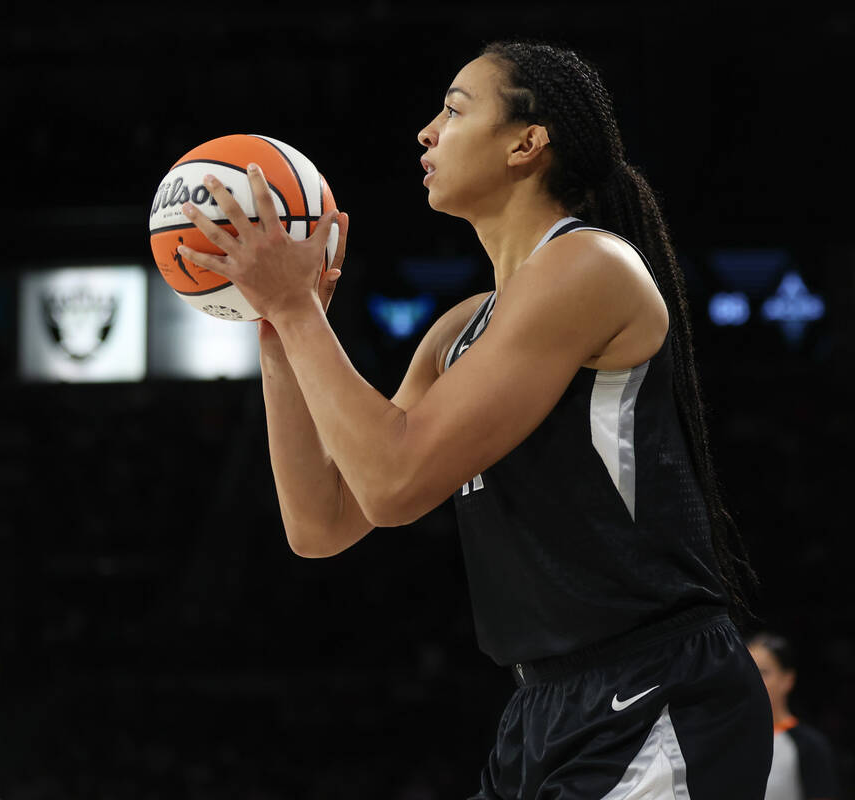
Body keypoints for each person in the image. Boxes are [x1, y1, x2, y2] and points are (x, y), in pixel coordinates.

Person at [176, 40, 772, 798]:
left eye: (454, 110)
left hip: (652, 693)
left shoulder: (591, 267)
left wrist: (297, 311)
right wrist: (277, 327)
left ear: (528, 143)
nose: (426, 132)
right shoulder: (458, 329)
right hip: (541, 709)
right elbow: (321, 522)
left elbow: (394, 481)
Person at [748, 632, 839, 800]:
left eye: (763, 672)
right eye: (747, 671)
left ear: (787, 679)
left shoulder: (808, 745)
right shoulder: (728, 740)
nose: (752, 680)